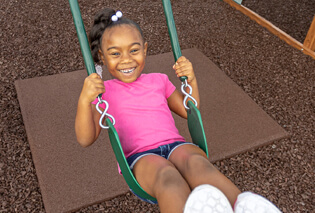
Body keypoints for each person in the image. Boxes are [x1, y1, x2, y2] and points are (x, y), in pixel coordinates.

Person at [75, 8, 282, 213]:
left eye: (134, 50)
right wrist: (85, 100)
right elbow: (86, 138)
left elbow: (188, 109)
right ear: (102, 56)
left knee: (196, 162)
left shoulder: (159, 80)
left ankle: (241, 206)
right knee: (168, 177)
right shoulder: (103, 92)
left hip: (176, 146)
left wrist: (190, 79)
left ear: (145, 50)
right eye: (115, 53)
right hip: (141, 158)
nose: (126, 59)